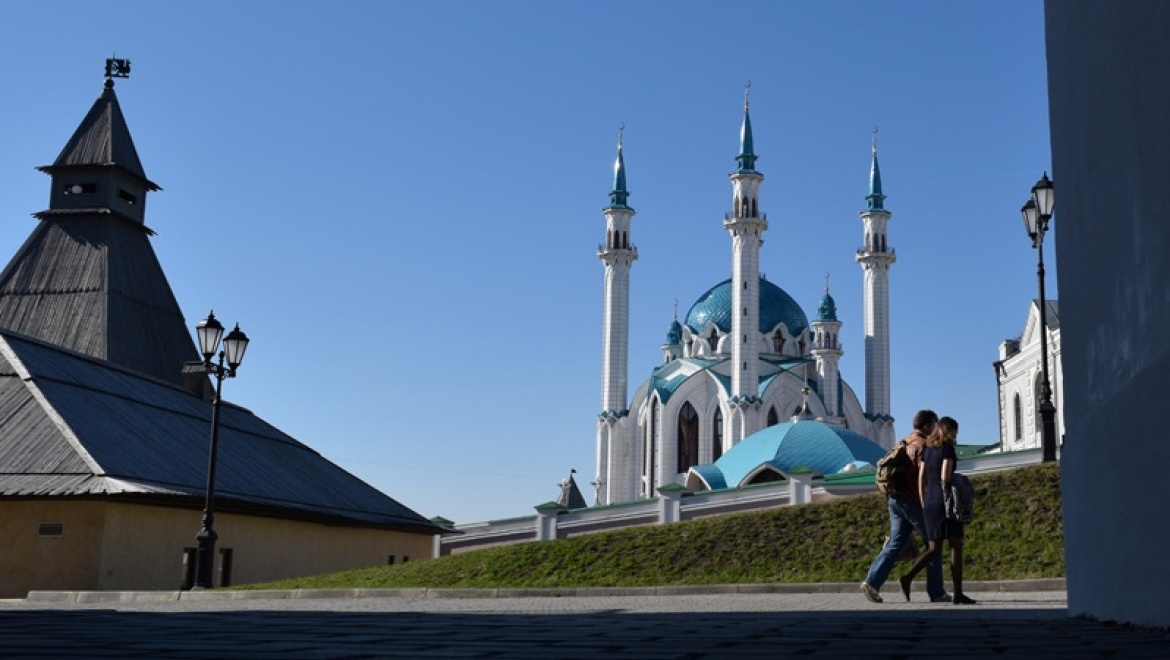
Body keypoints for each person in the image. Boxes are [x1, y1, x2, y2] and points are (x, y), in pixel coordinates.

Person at [860, 410, 949, 603]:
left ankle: (871, 582)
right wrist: (927, 505)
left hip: (895, 499)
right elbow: (922, 479)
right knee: (934, 543)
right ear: (927, 426)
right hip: (912, 501)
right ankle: (936, 591)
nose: (935, 429)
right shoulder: (922, 446)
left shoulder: (904, 441)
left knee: (896, 543)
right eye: (934, 425)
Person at [898, 416, 977, 605]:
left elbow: (921, 477)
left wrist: (924, 502)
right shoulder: (947, 449)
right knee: (955, 546)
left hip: (931, 503)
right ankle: (958, 594)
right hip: (946, 503)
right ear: (949, 430)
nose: (956, 434)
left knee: (934, 549)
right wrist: (957, 482)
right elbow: (945, 477)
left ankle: (907, 577)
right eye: (955, 431)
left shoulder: (928, 449)